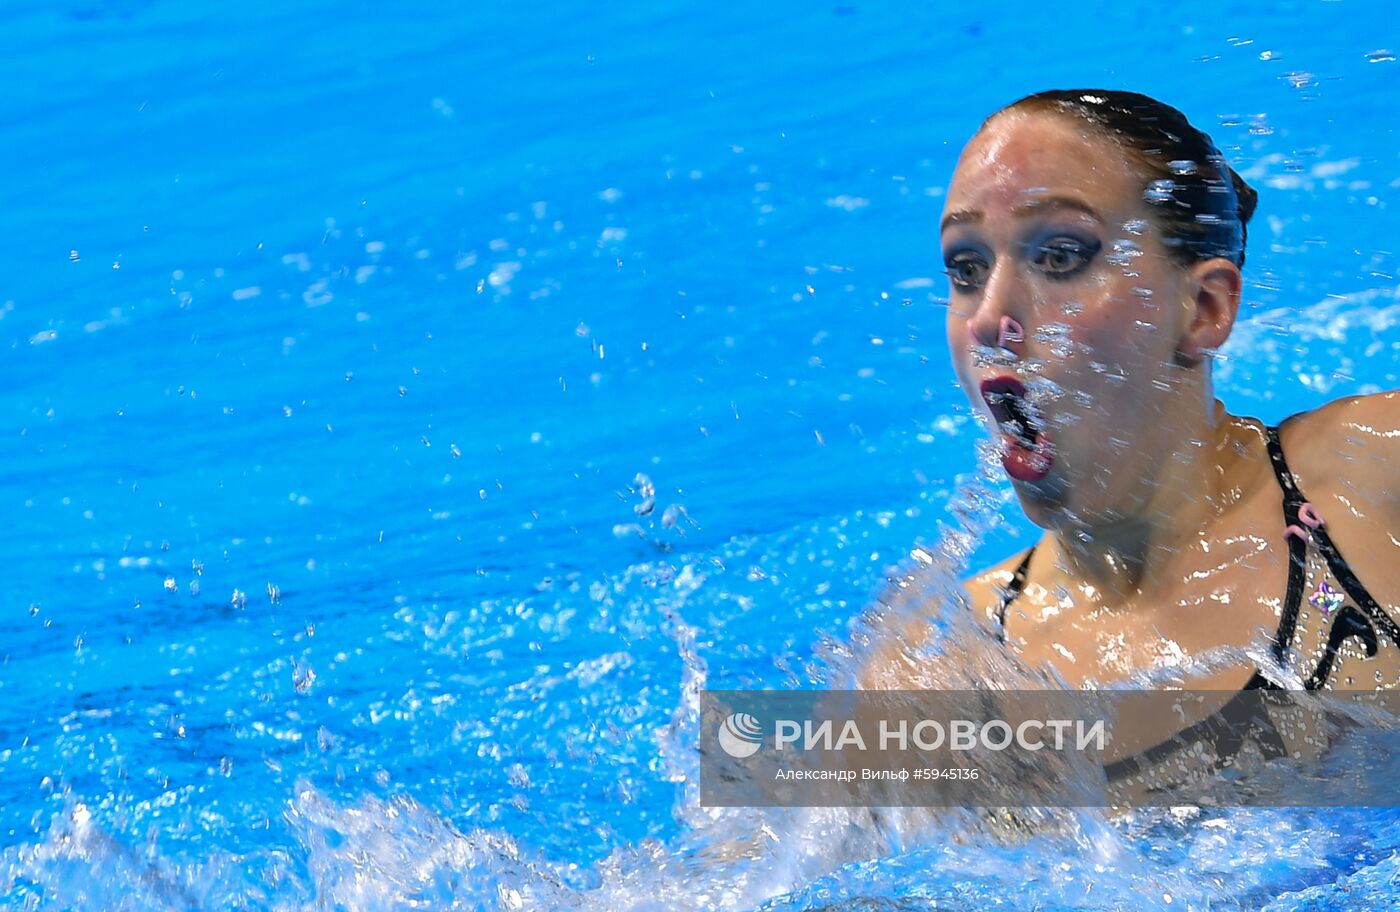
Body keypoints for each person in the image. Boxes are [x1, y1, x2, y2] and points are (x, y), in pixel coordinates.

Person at [862, 90, 1399, 705]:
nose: (988, 318)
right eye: (966, 268)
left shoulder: (1374, 481)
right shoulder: (946, 665)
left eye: (1061, 256)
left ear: (1203, 309)